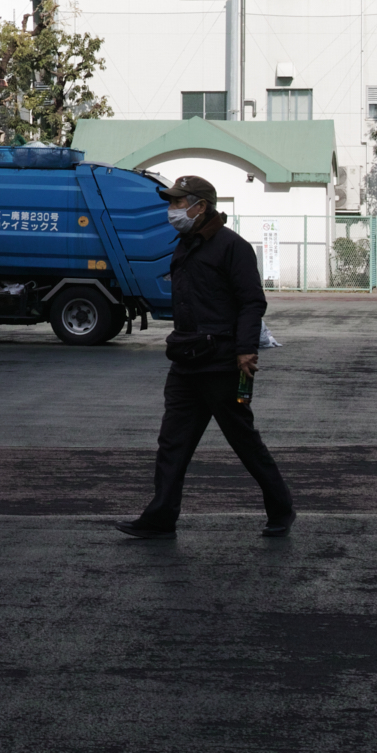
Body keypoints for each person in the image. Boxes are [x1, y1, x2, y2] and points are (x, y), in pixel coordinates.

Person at [116, 176, 294, 541]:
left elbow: (251, 302)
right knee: (172, 444)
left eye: (179, 203)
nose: (173, 210)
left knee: (243, 441)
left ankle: (282, 509)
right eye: (173, 203)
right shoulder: (185, 244)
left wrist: (246, 349)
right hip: (185, 361)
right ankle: (161, 517)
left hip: (222, 364)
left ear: (201, 206)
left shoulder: (233, 247)